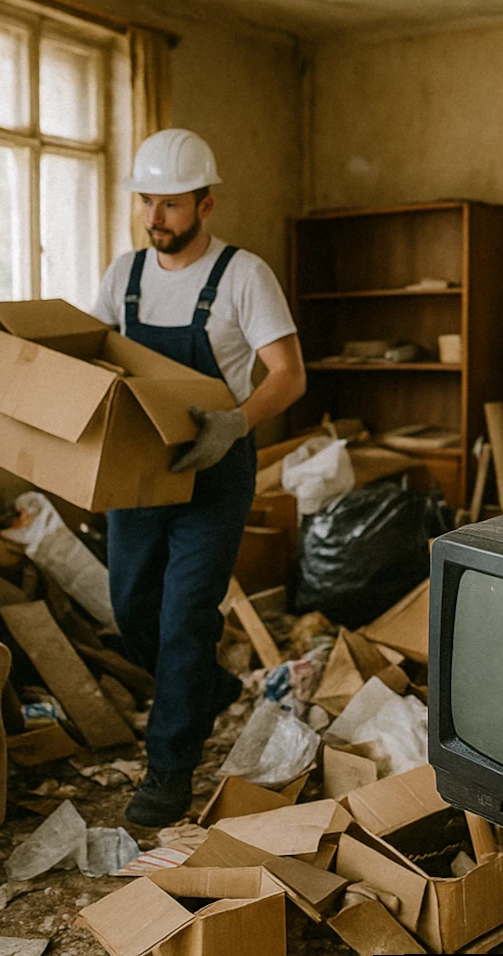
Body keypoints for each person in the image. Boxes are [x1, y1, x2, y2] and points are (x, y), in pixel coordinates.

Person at [89, 128, 306, 827]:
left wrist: (235, 426)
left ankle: (169, 769)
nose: (156, 217)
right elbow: (92, 360)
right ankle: (206, 688)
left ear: (207, 205)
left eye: (172, 204)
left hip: (215, 469)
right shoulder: (122, 275)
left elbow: (288, 376)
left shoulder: (243, 275)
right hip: (139, 468)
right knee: (132, 611)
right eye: (147, 201)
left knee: (185, 616)